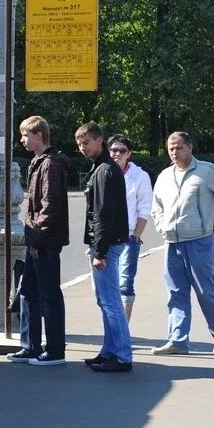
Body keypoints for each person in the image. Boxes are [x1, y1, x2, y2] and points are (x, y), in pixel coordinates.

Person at [150, 131, 214, 356]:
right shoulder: (164, 176)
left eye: (179, 147)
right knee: (175, 293)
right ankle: (177, 340)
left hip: (199, 242)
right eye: (170, 148)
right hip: (172, 243)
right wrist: (162, 226)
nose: (174, 152)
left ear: (190, 147)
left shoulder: (206, 171)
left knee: (205, 292)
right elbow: (156, 206)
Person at [6, 116, 71, 367]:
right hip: (37, 240)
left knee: (48, 295)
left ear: (39, 136)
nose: (22, 139)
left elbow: (49, 208)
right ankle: (31, 347)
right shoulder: (40, 162)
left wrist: (36, 241)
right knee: (29, 293)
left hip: (44, 242)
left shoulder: (50, 164)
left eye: (25, 135)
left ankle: (55, 350)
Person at [75, 122, 133, 372]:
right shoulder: (103, 168)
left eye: (86, 142)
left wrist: (98, 250)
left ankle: (121, 356)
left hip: (107, 247)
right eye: (79, 143)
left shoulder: (104, 171)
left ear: (100, 141)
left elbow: (102, 215)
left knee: (110, 302)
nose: (82, 148)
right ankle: (109, 351)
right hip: (107, 244)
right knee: (106, 301)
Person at [107, 134, 153, 322]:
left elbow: (144, 209)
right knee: (106, 287)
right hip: (106, 239)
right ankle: (111, 328)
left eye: (121, 151)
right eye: (113, 150)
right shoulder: (103, 172)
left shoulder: (140, 176)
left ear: (129, 154)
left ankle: (122, 329)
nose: (117, 154)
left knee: (125, 284)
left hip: (127, 239)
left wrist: (135, 236)